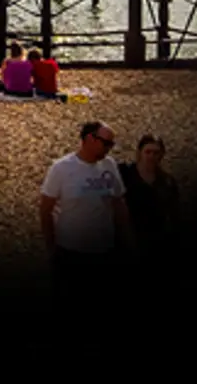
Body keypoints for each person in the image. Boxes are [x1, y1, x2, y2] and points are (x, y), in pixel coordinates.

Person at [39, 121, 133, 293]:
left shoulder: (109, 165)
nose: (108, 149)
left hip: (105, 250)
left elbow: (118, 202)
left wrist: (125, 238)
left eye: (111, 145)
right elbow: (46, 209)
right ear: (90, 139)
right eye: (106, 143)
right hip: (70, 252)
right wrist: (51, 247)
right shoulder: (61, 168)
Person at [118, 135, 181, 271]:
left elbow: (174, 213)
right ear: (140, 153)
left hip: (156, 239)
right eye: (148, 152)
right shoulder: (125, 174)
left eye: (156, 152)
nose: (151, 156)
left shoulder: (166, 182)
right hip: (128, 236)